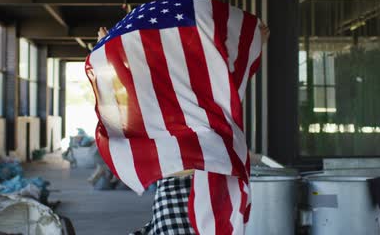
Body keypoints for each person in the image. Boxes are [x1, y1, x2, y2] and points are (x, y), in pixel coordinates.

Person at [94, 19, 270, 235]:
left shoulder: (203, 95)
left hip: (209, 183)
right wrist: (107, 49)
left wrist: (255, 42)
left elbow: (232, 77)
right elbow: (128, 86)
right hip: (182, 183)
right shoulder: (160, 97)